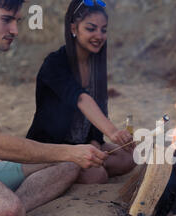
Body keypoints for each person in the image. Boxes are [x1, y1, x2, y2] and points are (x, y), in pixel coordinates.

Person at [0, 0, 107, 216]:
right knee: (5, 208)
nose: (15, 31)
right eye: (6, 20)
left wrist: (71, 154)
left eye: (17, 21)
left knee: (69, 165)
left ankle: (16, 212)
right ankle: (9, 211)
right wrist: (71, 150)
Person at [26, 0, 136, 184]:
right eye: (91, 29)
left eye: (103, 30)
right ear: (74, 28)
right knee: (98, 175)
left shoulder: (95, 65)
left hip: (82, 144)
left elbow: (98, 110)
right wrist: (113, 131)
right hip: (54, 146)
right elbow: (81, 99)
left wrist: (94, 143)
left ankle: (88, 166)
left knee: (130, 158)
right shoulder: (55, 63)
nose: (99, 36)